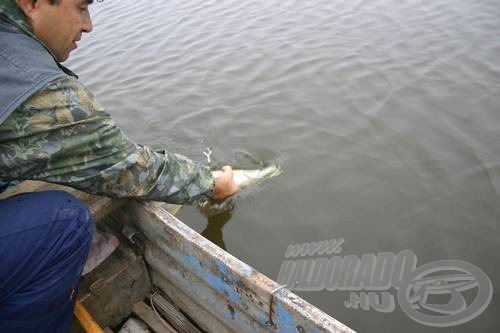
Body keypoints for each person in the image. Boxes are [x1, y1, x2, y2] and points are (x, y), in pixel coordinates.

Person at [0, 0, 239, 331]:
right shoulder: (38, 92)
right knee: (65, 223)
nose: (89, 26)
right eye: (80, 7)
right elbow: (128, 168)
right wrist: (213, 185)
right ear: (31, 3)